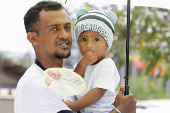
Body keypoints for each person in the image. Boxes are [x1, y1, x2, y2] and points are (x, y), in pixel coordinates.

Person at [14, 1, 137, 113]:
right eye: (54, 29)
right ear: (33, 38)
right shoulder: (37, 85)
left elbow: (91, 90)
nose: (64, 35)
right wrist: (121, 111)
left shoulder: (64, 76)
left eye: (67, 27)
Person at [63, 8, 120, 113]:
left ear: (107, 44)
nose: (89, 45)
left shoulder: (107, 64)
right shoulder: (81, 63)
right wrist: (82, 64)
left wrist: (75, 106)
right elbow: (73, 85)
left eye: (96, 39)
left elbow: (98, 92)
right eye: (83, 39)